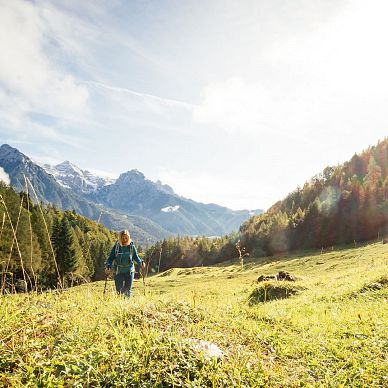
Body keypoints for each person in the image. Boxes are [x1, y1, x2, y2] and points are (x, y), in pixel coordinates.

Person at [105, 230, 145, 297]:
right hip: (118, 271)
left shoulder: (131, 247)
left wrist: (141, 263)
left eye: (126, 238)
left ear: (129, 238)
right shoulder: (116, 247)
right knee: (119, 291)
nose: (124, 240)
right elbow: (110, 258)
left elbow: (136, 257)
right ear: (120, 238)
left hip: (129, 271)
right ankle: (120, 305)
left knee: (128, 291)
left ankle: (127, 305)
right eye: (123, 238)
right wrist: (108, 266)